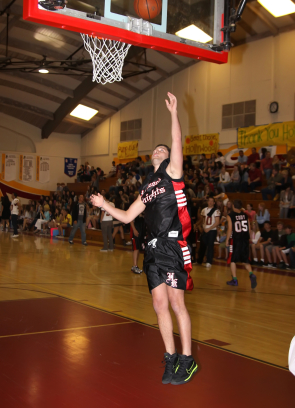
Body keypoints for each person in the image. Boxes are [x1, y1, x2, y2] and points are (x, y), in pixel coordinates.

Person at [91, 92, 197, 386]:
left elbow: (176, 141)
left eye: (162, 149)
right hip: (152, 250)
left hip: (173, 245)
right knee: (159, 305)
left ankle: (188, 360)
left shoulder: (173, 172)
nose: (158, 150)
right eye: (155, 150)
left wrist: (174, 114)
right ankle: (170, 356)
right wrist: (104, 206)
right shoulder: (147, 187)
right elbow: (126, 216)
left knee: (177, 303)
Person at [225, 199, 257, 289]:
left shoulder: (230, 215)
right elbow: (249, 229)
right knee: (245, 259)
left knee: (232, 260)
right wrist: (248, 238)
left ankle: (234, 280)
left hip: (236, 240)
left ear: (233, 206)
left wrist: (227, 239)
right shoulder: (245, 215)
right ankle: (251, 274)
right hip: (245, 240)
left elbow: (230, 229)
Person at [197, 195, 220, 267]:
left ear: (214, 203)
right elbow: (202, 220)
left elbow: (217, 222)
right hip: (205, 230)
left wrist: (209, 228)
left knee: (210, 245)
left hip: (212, 230)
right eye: (209, 201)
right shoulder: (204, 210)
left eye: (211, 201)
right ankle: (199, 260)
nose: (210, 202)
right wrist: (202, 227)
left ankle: (209, 261)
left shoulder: (216, 211)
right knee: (202, 245)